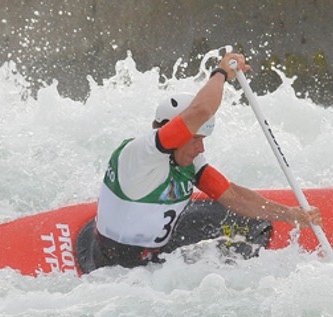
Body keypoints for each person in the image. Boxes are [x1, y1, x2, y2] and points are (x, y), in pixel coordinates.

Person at [78, 51, 322, 273]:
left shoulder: (186, 157)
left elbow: (231, 195)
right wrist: (222, 72)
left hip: (158, 250)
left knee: (243, 223)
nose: (201, 148)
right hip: (114, 265)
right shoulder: (140, 155)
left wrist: (288, 214)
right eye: (195, 139)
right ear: (171, 131)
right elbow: (201, 110)